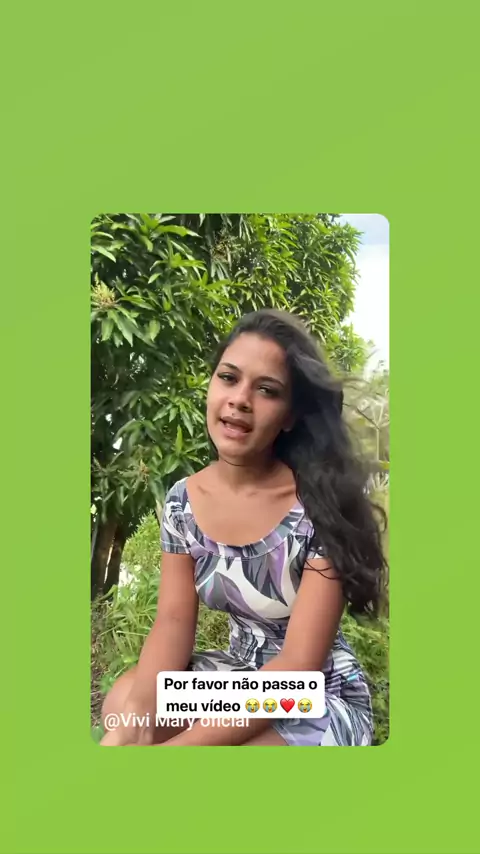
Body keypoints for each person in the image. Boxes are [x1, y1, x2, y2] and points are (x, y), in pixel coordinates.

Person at [100, 308, 387, 746]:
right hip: (239, 674)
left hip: (311, 691)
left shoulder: (319, 507)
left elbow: (297, 668)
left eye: (267, 390)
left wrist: (174, 751)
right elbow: (173, 622)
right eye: (228, 378)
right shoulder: (182, 502)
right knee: (124, 705)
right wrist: (135, 723)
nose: (240, 399)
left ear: (289, 416)